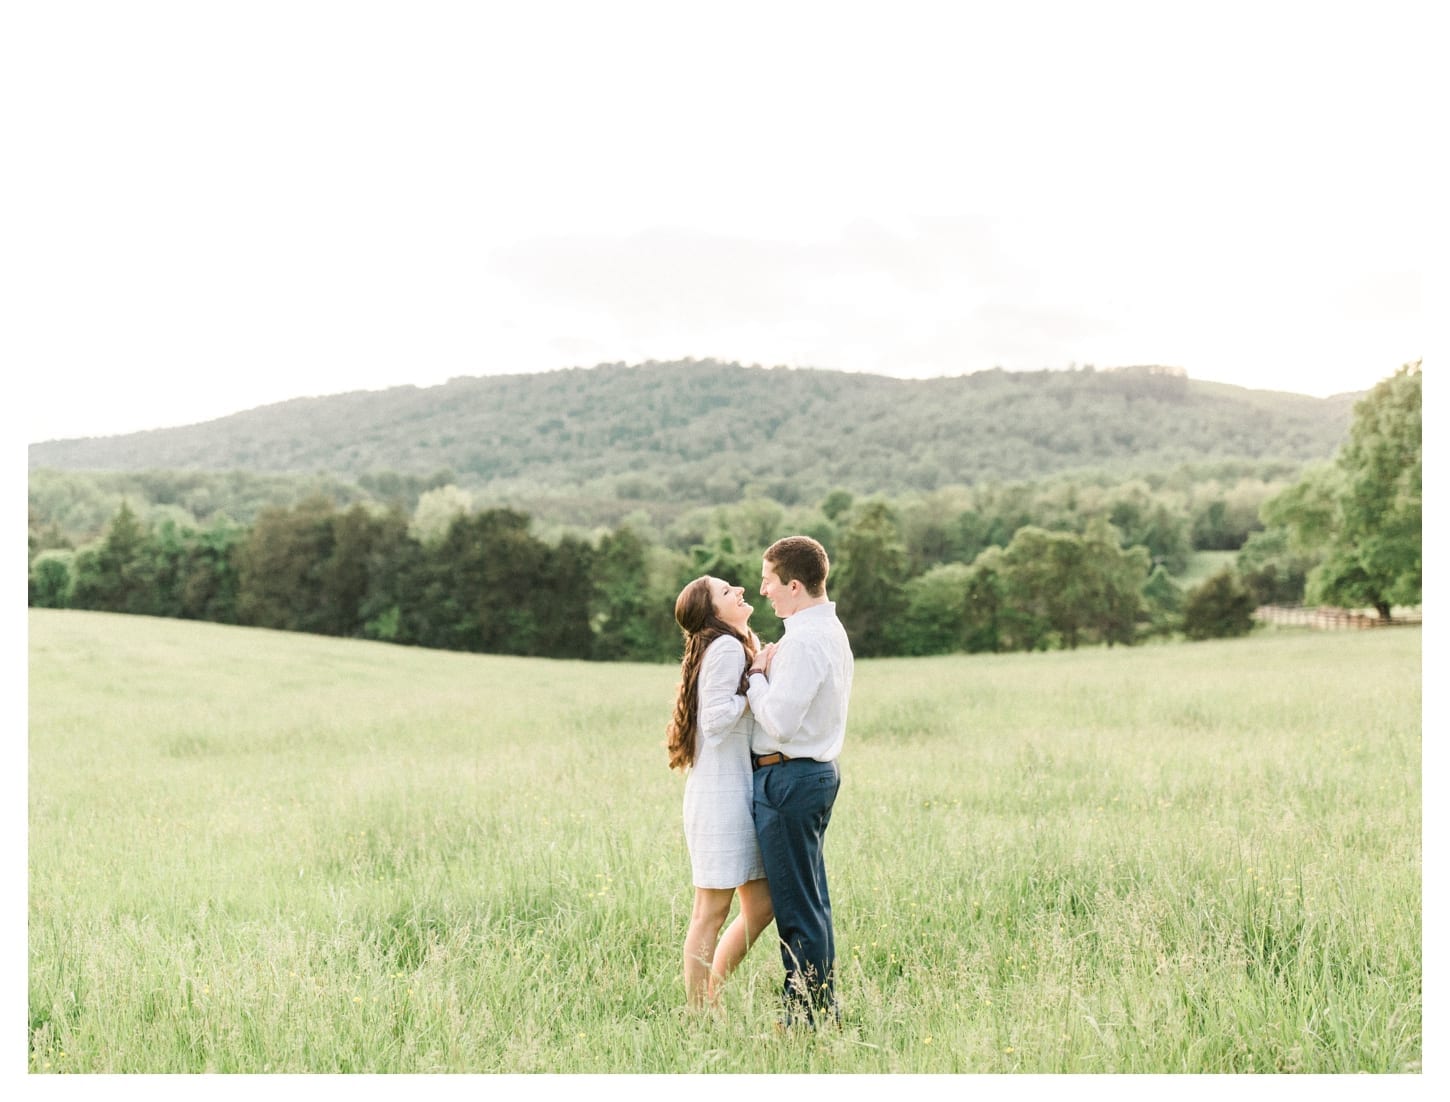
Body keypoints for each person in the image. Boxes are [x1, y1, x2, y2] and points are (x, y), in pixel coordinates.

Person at [744, 535, 853, 1027]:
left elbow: (781, 723)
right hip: (807, 776)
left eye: (768, 582)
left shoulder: (805, 640)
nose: (762, 591)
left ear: (793, 584)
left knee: (797, 908)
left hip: (789, 779)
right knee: (811, 901)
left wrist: (756, 678)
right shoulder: (825, 630)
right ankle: (819, 1011)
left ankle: (804, 1021)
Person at [667, 575, 776, 1010]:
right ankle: (698, 1012)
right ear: (714, 611)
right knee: (710, 913)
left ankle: (710, 991)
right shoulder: (729, 648)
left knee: (762, 905)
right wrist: (755, 682)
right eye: (728, 592)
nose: (740, 592)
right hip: (720, 800)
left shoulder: (729, 643)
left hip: (731, 794)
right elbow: (714, 722)